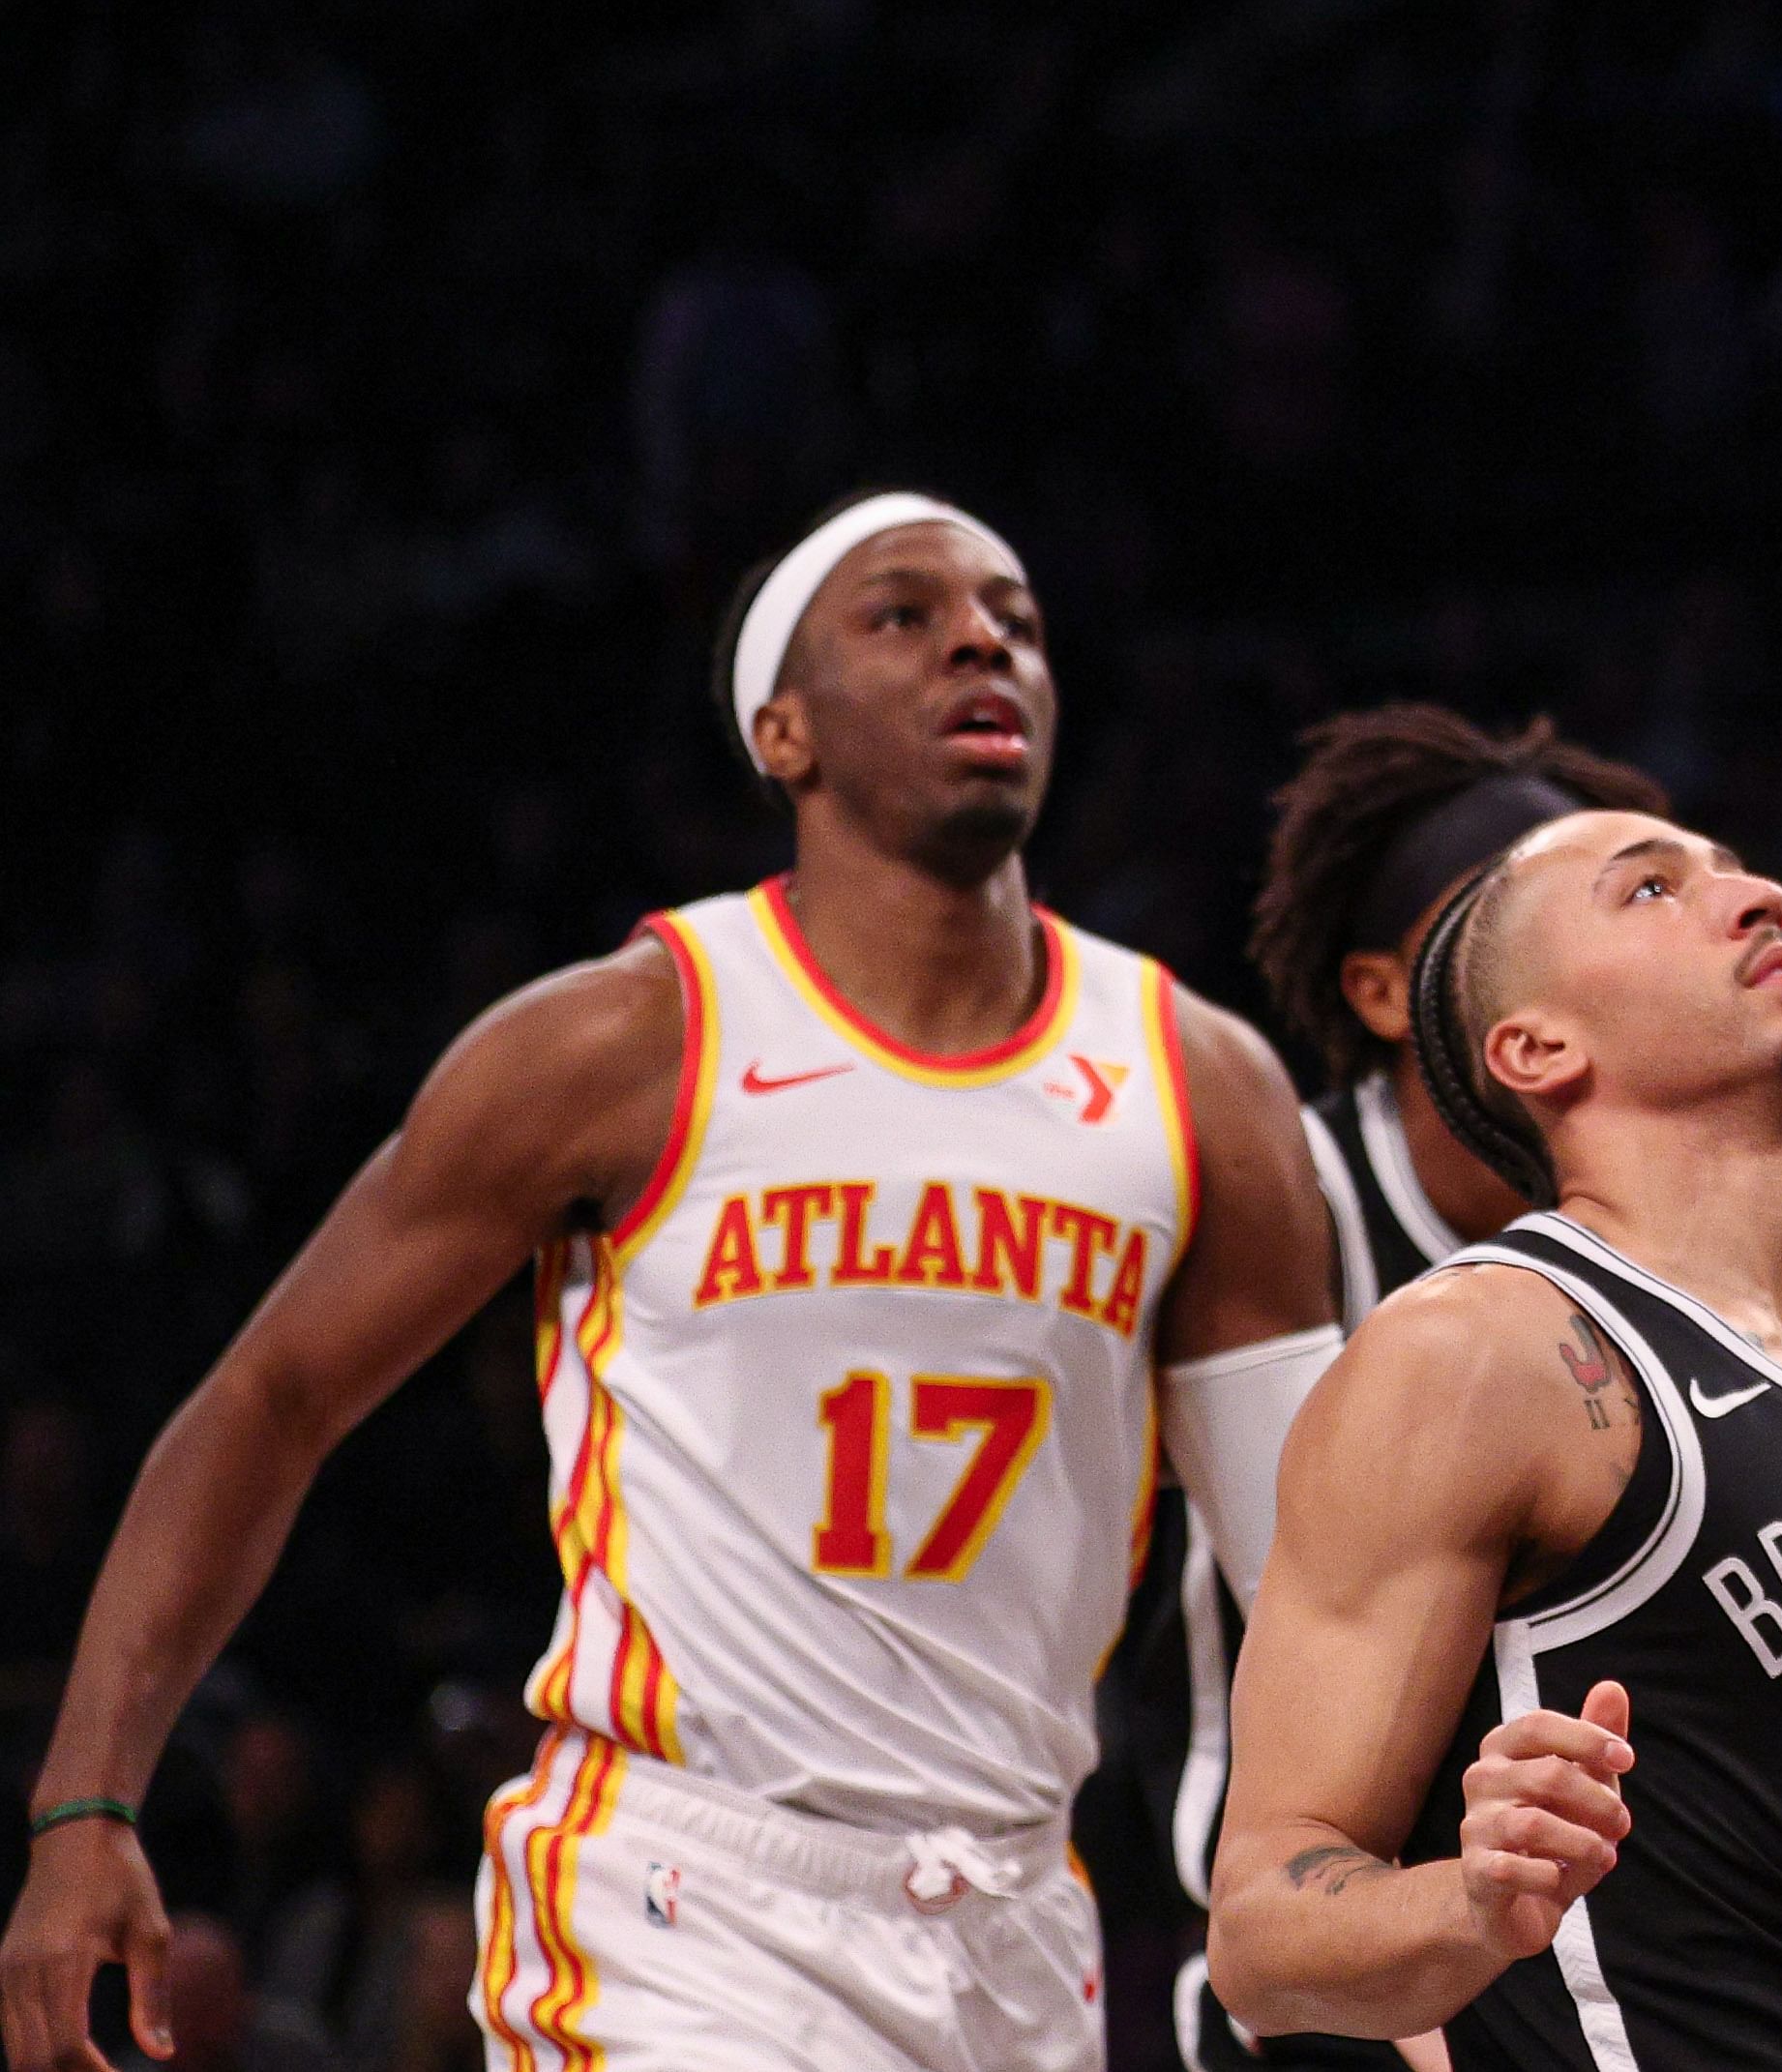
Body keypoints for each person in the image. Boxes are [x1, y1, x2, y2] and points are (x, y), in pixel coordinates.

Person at [1, 492, 1344, 2072]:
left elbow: (1319, 1568)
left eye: (1015, 618)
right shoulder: (626, 1040)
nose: (984, 638)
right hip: (681, 1897)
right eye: (902, 615)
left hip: (1013, 1920)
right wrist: (87, 1796)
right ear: (783, 731)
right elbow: (272, 1396)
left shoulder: (1202, 1085)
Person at [1097, 705, 1782, 2071]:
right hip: (1333, 1956)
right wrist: (1446, 1937)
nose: (1725, 904)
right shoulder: (1286, 1202)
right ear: (1423, 993)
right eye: (1634, 890)